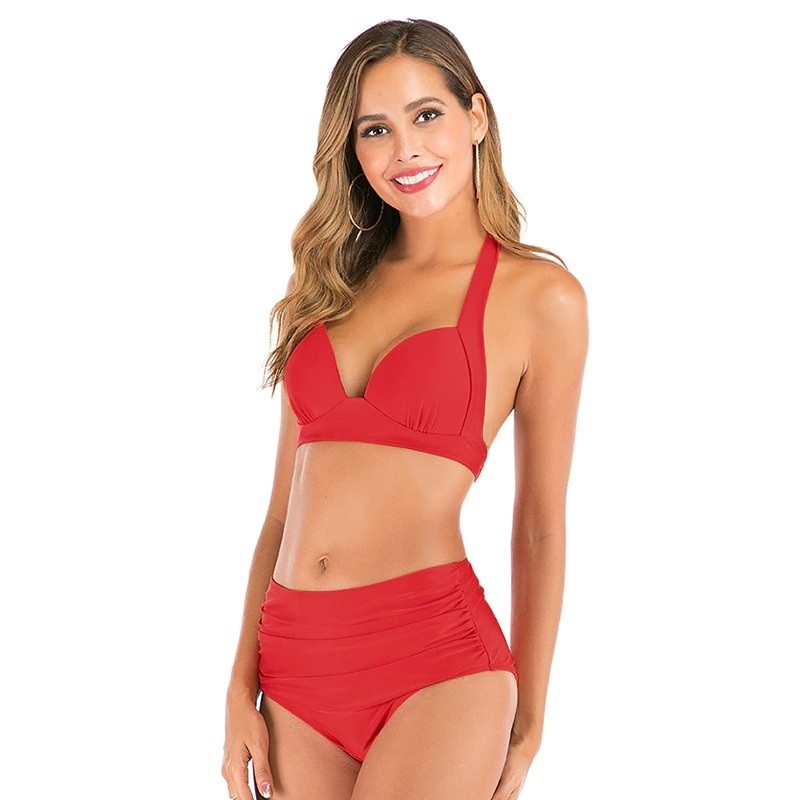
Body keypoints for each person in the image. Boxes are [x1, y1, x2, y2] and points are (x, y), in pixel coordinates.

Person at [222, 17, 588, 800]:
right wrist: (237, 687)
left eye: (427, 115)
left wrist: (531, 718)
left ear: (476, 117)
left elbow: (539, 526)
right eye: (375, 129)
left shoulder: (539, 298)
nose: (405, 150)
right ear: (352, 149)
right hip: (295, 670)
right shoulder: (326, 290)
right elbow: (282, 514)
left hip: (436, 664)